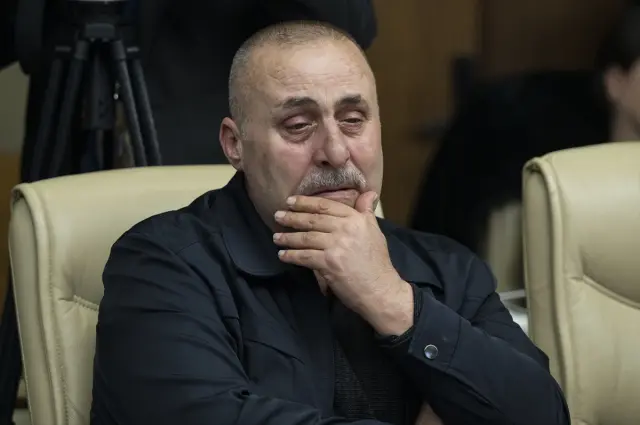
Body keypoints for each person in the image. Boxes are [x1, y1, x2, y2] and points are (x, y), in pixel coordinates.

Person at [90, 21, 570, 425]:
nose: (336, 152)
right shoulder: (162, 264)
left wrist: (392, 301)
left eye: (354, 119)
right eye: (299, 125)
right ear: (235, 144)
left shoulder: (445, 266)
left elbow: (543, 414)